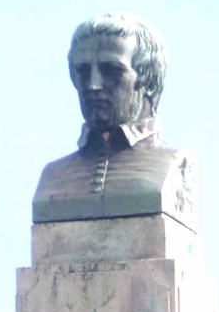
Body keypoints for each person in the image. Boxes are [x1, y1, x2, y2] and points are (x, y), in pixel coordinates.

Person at [33, 12, 195, 228]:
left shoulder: (174, 165)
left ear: (148, 80)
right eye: (83, 71)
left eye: (111, 70)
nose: (92, 85)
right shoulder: (52, 178)